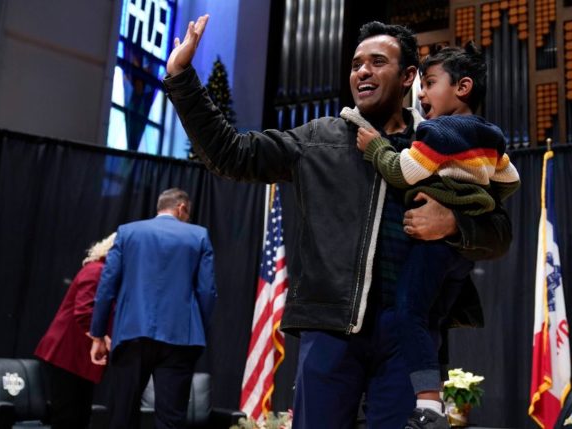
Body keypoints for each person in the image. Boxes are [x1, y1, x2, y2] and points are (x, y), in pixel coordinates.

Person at [163, 16, 511, 429]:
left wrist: (454, 223)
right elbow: (230, 154)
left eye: (377, 61)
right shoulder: (317, 138)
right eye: (356, 64)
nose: (362, 71)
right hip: (330, 330)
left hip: (409, 334)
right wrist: (181, 77)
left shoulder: (447, 139)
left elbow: (499, 233)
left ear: (409, 77)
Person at [347, 42, 520, 421]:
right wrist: (478, 199)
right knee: (432, 318)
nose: (421, 94)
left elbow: (400, 172)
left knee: (410, 313)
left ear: (463, 87)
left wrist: (376, 147)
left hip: (433, 249)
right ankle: (431, 395)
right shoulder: (491, 136)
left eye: (429, 83)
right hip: (459, 258)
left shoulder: (436, 132)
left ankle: (427, 402)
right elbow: (510, 180)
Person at [89, 188, 217, 429]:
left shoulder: (128, 232)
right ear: (181, 208)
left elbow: (107, 286)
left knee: (122, 416)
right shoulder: (199, 236)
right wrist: (198, 328)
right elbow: (207, 292)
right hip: (180, 338)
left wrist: (97, 333)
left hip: (131, 334)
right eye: (187, 214)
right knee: (171, 419)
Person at [34, 232, 115, 429]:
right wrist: (104, 340)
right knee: (67, 418)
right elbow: (84, 313)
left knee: (79, 418)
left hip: (82, 358)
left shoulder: (109, 276)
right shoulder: (96, 271)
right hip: (67, 354)